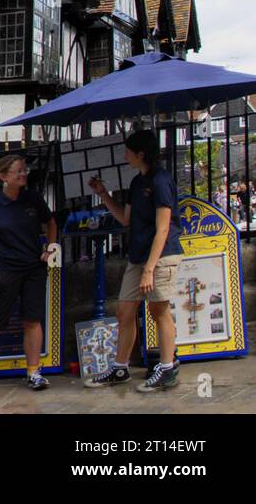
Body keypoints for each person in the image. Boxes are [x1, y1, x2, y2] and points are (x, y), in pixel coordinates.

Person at [86, 129, 184, 391]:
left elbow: (163, 228)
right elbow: (126, 219)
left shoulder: (161, 181)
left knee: (158, 310)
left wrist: (149, 270)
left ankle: (166, 368)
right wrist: (103, 194)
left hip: (160, 256)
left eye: (128, 151)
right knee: (124, 310)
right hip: (138, 255)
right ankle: (120, 368)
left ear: (141, 154)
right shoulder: (137, 182)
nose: (125, 155)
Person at [0, 154, 58, 398]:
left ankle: (34, 372)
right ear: (4, 177)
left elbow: (51, 222)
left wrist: (50, 247)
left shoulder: (33, 199)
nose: (23, 174)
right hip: (5, 271)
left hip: (34, 269)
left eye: (24, 170)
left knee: (33, 320)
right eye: (18, 171)